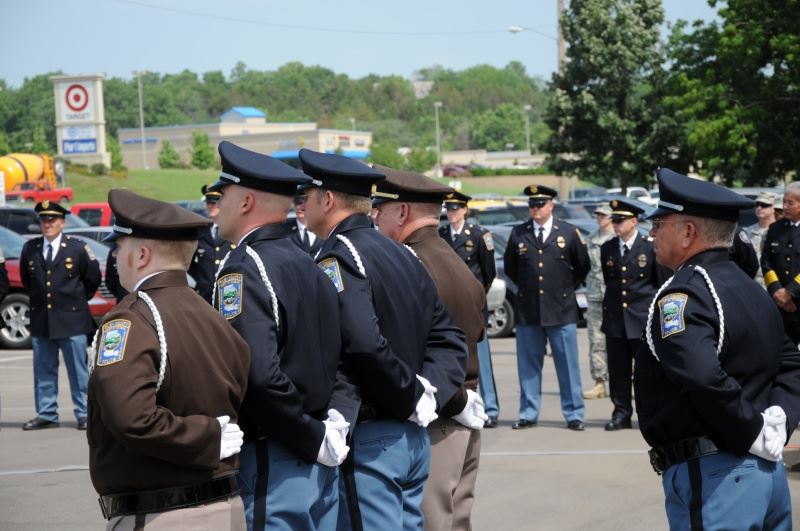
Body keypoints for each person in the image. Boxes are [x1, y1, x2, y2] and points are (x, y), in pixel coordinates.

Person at [299, 148, 467, 531]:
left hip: (373, 437)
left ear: (328, 200)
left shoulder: (338, 257)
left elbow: (363, 343)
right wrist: (426, 393)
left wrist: (413, 395)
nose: (302, 205)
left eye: (307, 196)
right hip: (410, 437)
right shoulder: (401, 253)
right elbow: (449, 338)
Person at [635, 168, 800, 530]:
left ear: (688, 233)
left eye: (659, 223)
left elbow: (701, 375)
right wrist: (779, 420)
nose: (651, 233)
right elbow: (791, 363)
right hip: (763, 472)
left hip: (718, 477)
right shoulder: (750, 288)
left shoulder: (685, 293)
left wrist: (753, 429)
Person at [88, 189, 251, 530]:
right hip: (225, 507)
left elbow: (132, 418)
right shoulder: (213, 316)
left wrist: (206, 437)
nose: (114, 256)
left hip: (161, 513)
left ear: (141, 255)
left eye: (119, 247)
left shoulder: (131, 319)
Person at [209, 141, 348, 530]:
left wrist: (309, 435)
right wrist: (322, 429)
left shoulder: (243, 268)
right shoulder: (307, 261)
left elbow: (257, 375)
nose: (216, 209)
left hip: (277, 455)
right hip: (314, 450)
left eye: (223, 197)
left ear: (246, 201)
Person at [373, 166, 487, 531]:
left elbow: (406, 348)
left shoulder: (410, 263)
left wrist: (452, 400)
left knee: (431, 522)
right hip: (463, 408)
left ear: (402, 212)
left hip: (439, 414)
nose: (374, 218)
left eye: (380, 210)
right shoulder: (451, 258)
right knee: (457, 520)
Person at [502, 185, 590, 431]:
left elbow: (582, 266)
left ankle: (574, 413)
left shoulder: (568, 232)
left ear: (551, 205)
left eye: (540, 204)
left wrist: (564, 288)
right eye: (532, 204)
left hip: (561, 309)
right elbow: (511, 268)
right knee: (528, 367)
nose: (535, 209)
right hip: (529, 310)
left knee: (568, 366)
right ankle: (528, 413)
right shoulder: (519, 233)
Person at [21, 200, 101, 431]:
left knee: (78, 372)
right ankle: (46, 413)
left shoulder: (77, 248)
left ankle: (85, 413)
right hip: (42, 319)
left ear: (63, 222)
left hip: (71, 319)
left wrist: (75, 302)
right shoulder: (31, 248)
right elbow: (29, 282)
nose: (47, 224)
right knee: (43, 370)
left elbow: (92, 279)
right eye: (43, 220)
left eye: (52, 219)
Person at [599, 199, 665, 431]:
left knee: (646, 371)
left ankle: (650, 414)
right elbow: (610, 282)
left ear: (634, 222)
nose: (616, 224)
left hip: (641, 319)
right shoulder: (607, 248)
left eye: (621, 220)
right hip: (616, 319)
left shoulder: (649, 246)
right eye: (614, 220)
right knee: (618, 371)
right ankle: (621, 413)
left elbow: (660, 283)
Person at [439, 191, 500, 427]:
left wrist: (473, 296)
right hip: (448, 308)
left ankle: (491, 409)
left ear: (465, 210)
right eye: (448, 208)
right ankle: (457, 407)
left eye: (455, 208)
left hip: (472, 309)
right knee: (452, 359)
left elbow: (488, 273)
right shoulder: (441, 235)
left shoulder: (479, 235)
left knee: (481, 361)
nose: (451, 213)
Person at [761, 182, 800, 344]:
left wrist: (790, 292)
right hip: (780, 302)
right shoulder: (775, 228)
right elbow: (766, 261)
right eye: (784, 202)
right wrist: (777, 290)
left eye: (790, 203)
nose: (784, 207)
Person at [582, 202, 614, 400]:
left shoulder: (617, 238)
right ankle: (599, 382)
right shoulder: (591, 240)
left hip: (616, 297)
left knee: (622, 341)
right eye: (598, 215)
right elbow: (582, 267)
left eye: (604, 215)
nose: (600, 218)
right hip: (595, 297)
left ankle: (630, 381)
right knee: (596, 341)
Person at [189, 184, 236, 304]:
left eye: (214, 202)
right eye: (208, 202)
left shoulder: (234, 231)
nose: (210, 206)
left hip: (229, 296)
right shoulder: (201, 231)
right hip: (204, 296)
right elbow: (188, 261)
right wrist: (202, 278)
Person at [746, 192, 777, 288]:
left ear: (773, 208)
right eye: (757, 205)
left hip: (774, 283)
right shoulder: (747, 232)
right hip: (752, 282)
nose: (759, 208)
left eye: (764, 205)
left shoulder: (780, 232)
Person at [284, 186, 323, 255]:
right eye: (297, 201)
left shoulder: (324, 228)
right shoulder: (283, 229)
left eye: (304, 201)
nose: (299, 207)